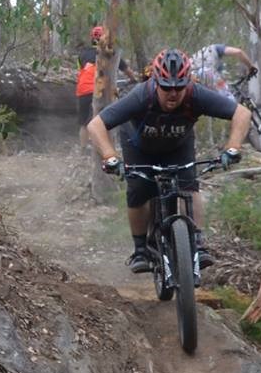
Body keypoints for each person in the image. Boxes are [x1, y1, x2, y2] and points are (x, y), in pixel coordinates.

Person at [86, 48, 251, 273]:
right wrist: (110, 156)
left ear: (187, 83)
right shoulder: (141, 95)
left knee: (189, 187)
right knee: (139, 189)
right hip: (139, 145)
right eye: (166, 88)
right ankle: (141, 249)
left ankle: (198, 243)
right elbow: (96, 125)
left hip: (177, 146)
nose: (172, 94)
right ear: (156, 82)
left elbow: (242, 114)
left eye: (179, 88)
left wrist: (233, 147)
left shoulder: (196, 95)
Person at [190, 41, 258, 93]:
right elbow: (239, 52)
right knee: (227, 96)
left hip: (190, 80)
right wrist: (251, 67)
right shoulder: (215, 48)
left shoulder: (202, 54)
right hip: (201, 75)